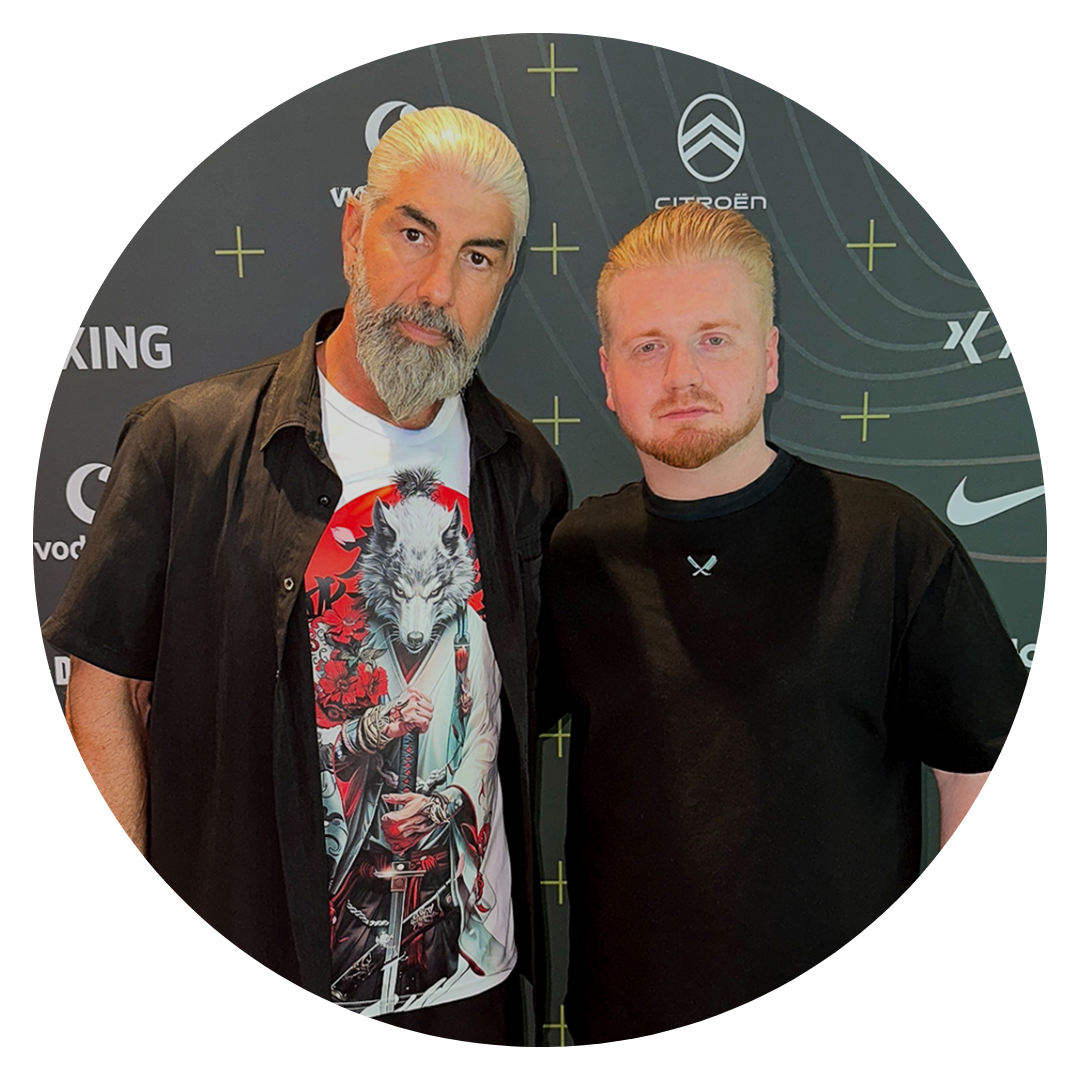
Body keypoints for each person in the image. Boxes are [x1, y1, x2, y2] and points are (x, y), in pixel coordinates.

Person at [42, 106, 568, 1044]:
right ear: (353, 230)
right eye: (414, 234)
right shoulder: (186, 443)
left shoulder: (521, 470)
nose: (437, 288)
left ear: (506, 277)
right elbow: (103, 693)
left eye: (479, 257)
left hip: (466, 991)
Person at [540, 202, 1026, 1044]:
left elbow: (975, 765)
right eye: (648, 346)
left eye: (714, 339)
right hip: (621, 1017)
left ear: (768, 358)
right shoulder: (574, 557)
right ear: (609, 375)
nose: (681, 374)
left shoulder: (887, 540)